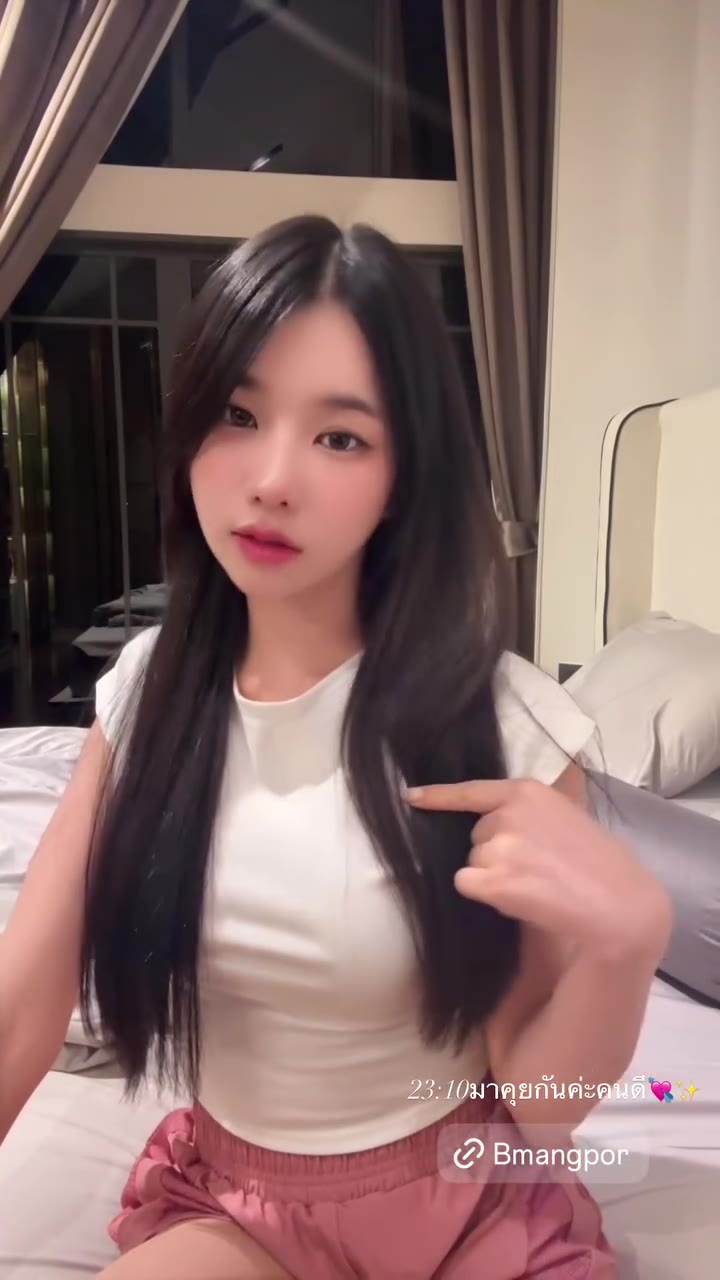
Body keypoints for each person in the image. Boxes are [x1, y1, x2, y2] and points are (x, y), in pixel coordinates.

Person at [0, 215, 672, 1279]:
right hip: (239, 1207)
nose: (273, 478)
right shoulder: (150, 692)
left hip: (470, 1204)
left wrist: (629, 946)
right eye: (238, 414)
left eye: (341, 437)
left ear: (405, 472)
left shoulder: (500, 724)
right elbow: (22, 1009)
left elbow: (538, 1105)